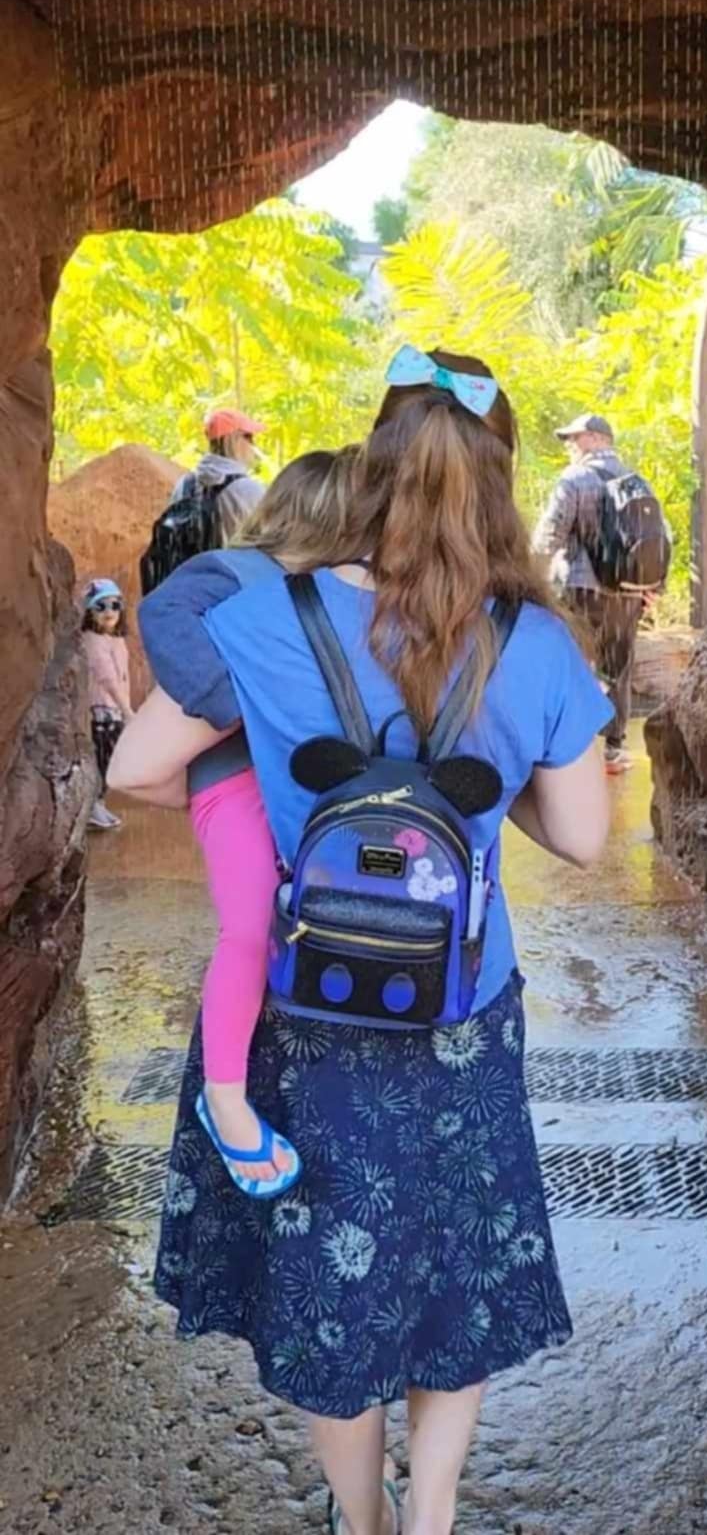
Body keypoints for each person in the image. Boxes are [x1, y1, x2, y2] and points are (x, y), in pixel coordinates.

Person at [110, 345, 611, 1535]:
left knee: (329, 1271)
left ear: (375, 455)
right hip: (460, 1015)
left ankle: (359, 1517)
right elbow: (587, 837)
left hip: (308, 1006)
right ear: (499, 476)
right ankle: (430, 1518)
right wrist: (479, 800)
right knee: (456, 1268)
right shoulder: (534, 644)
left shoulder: (264, 616)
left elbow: (133, 772)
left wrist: (267, 789)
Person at [140, 449, 356, 1191]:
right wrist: (236, 704)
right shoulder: (233, 573)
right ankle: (224, 1095)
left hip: (291, 783)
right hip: (233, 778)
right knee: (247, 922)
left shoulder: (323, 591)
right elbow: (158, 611)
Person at [533, 411, 651, 776]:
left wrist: (530, 584)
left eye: (576, 437)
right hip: (627, 593)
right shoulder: (637, 481)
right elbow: (656, 539)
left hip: (580, 588)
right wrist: (649, 587)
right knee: (618, 668)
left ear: (599, 438)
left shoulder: (575, 478)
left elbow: (548, 536)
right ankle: (613, 749)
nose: (570, 444)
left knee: (571, 664)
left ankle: (567, 752)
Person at [81, 578, 134, 830]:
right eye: (100, 606)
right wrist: (127, 710)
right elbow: (107, 678)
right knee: (102, 758)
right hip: (101, 713)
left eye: (114, 604)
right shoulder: (93, 640)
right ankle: (93, 805)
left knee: (109, 757)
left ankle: (98, 803)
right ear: (89, 612)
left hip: (113, 711)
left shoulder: (116, 640)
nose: (109, 612)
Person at [170, 405, 269, 539]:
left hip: (190, 561)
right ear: (234, 440)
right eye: (249, 436)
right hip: (230, 560)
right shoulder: (249, 490)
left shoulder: (184, 484)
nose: (253, 444)